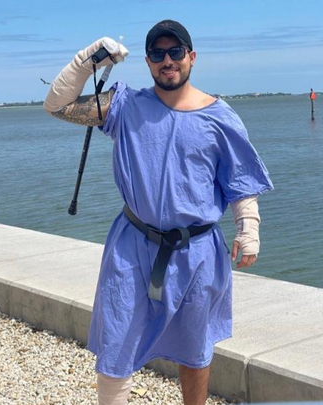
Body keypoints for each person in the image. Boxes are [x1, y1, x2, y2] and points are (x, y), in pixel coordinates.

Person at [43, 20, 273, 405]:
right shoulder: (124, 106)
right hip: (131, 247)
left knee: (195, 350)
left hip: (197, 252)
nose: (167, 60)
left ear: (192, 57)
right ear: (148, 62)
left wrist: (248, 229)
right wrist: (87, 61)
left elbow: (240, 181)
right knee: (116, 345)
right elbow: (57, 106)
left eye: (175, 52)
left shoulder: (220, 117)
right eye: (157, 53)